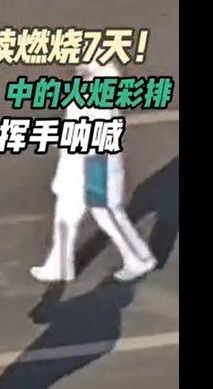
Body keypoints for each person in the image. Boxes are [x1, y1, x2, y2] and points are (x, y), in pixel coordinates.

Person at [31, 60, 158, 283]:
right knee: (66, 213)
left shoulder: (100, 89)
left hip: (94, 164)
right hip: (76, 165)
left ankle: (139, 258)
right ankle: (59, 265)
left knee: (106, 213)